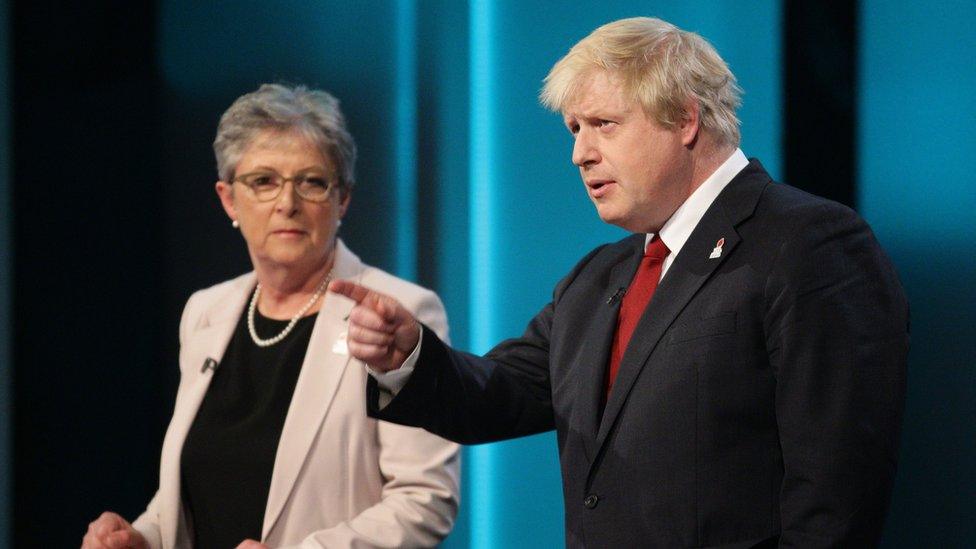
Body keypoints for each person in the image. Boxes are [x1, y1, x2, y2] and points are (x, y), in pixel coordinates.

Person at [331, 17, 909, 548]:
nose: (581, 154)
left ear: (685, 118)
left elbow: (835, 497)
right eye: (574, 129)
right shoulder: (598, 277)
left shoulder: (808, 243)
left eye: (603, 124)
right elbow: (499, 395)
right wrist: (408, 354)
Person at [82, 84, 460, 549]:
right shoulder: (205, 312)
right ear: (228, 200)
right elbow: (191, 492)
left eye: (312, 182)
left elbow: (425, 499)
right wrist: (142, 537)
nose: (287, 203)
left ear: (342, 200)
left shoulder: (395, 313)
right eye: (263, 181)